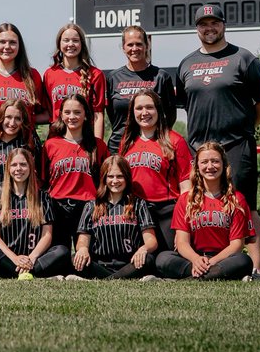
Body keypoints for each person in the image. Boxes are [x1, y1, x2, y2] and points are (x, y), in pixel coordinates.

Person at [176, 4, 260, 279]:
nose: (209, 28)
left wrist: (245, 129)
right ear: (197, 28)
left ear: (224, 24)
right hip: (199, 149)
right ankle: (202, 264)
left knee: (245, 205)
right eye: (203, 24)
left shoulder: (244, 58)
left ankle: (256, 270)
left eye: (214, 23)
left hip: (236, 145)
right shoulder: (187, 64)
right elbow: (185, 104)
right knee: (198, 205)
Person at [155, 142, 254, 281]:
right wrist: (196, 259)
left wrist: (212, 262)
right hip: (194, 259)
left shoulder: (237, 199)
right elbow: (182, 243)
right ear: (197, 167)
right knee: (163, 258)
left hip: (223, 260)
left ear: (224, 165)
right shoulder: (185, 200)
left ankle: (186, 280)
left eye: (215, 161)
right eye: (204, 162)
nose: (210, 166)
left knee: (244, 260)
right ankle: (209, 275)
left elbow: (237, 245)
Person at [0, 147, 69, 279]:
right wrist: (14, 258)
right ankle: (28, 274)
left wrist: (31, 258)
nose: (18, 169)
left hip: (34, 258)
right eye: (14, 165)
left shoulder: (42, 197)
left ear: (31, 167)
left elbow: (47, 236)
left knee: (62, 250)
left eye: (23, 164)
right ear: (8, 168)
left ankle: (14, 274)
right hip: (7, 257)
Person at [118, 89, 192, 252]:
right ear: (132, 112)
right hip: (135, 209)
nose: (144, 113)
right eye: (139, 108)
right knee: (140, 258)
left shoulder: (175, 140)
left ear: (158, 110)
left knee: (166, 258)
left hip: (166, 211)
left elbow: (186, 187)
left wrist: (182, 224)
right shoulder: (126, 142)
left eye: (149, 107)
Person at [71, 155, 158, 280]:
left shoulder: (138, 204)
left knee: (148, 259)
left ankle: (108, 280)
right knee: (76, 258)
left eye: (120, 176)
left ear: (127, 178)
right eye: (110, 176)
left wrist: (143, 249)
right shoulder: (92, 205)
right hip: (101, 264)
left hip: (130, 263)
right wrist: (83, 249)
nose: (115, 181)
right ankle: (117, 279)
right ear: (104, 179)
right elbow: (82, 240)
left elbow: (152, 241)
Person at [104, 25, 178, 157]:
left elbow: (170, 115)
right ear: (123, 47)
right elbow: (112, 115)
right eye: (130, 44)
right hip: (119, 148)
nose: (134, 49)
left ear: (147, 45)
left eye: (139, 44)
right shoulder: (113, 78)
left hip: (154, 148)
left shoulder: (161, 77)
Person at [40, 94, 102, 249]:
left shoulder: (98, 146)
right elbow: (42, 179)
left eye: (77, 112)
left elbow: (104, 180)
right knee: (59, 256)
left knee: (87, 259)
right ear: (61, 115)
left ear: (86, 115)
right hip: (57, 206)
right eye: (67, 112)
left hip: (88, 207)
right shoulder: (50, 145)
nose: (72, 117)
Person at [0, 22, 48, 133]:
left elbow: (44, 112)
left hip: (24, 143)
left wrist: (27, 121)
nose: (7, 47)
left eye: (12, 42)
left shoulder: (31, 75)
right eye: (2, 42)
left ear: (19, 46)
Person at [43, 22, 106, 138]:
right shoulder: (50, 73)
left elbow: (98, 114)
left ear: (81, 44)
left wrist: (98, 145)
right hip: (57, 137)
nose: (70, 44)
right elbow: (49, 111)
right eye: (66, 40)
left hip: (85, 138)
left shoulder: (95, 74)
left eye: (75, 40)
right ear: (59, 44)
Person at [0, 99, 38, 203]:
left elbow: (39, 176)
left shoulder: (29, 141)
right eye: (8, 117)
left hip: (24, 204)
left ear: (23, 120)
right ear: (1, 117)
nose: (12, 123)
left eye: (17, 118)